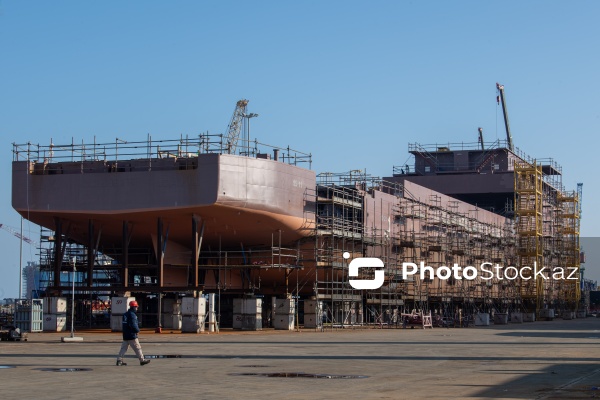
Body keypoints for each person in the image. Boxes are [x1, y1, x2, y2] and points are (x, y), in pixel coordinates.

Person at [116, 300, 151, 366]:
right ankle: (142, 360)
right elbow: (133, 325)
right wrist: (137, 330)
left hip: (125, 334)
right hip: (131, 335)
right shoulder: (132, 315)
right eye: (136, 307)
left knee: (123, 348)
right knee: (137, 347)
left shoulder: (125, 314)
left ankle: (119, 360)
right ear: (134, 307)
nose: (137, 308)